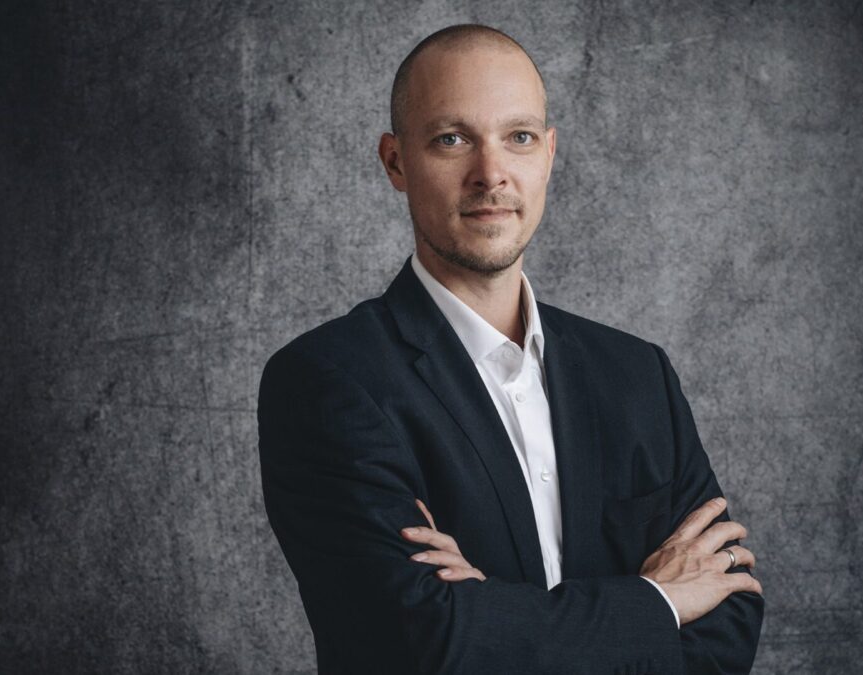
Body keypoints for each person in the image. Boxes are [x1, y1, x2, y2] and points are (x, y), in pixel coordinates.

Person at [258, 24, 764, 674]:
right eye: (452, 138)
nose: (491, 174)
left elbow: (727, 623)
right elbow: (427, 643)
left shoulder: (638, 374)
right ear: (396, 162)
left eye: (518, 137)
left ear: (548, 154)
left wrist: (493, 614)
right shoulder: (327, 382)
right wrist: (659, 599)